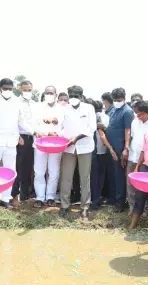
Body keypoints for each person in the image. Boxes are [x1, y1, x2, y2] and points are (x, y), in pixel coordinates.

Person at [0, 78, 39, 209]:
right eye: (5, 89)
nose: (7, 91)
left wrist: (34, 132)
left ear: (13, 89)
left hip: (10, 142)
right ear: (0, 88)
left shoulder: (17, 102)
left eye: (10, 89)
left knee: (10, 171)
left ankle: (6, 199)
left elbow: (21, 121)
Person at [59, 86, 96, 218]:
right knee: (66, 177)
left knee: (84, 178)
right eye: (71, 95)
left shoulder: (89, 108)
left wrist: (77, 138)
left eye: (76, 95)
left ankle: (85, 206)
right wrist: (60, 136)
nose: (73, 97)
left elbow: (92, 127)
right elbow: (61, 127)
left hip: (85, 147)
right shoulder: (64, 109)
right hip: (68, 147)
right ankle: (64, 205)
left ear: (81, 96)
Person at [33, 86, 63, 208]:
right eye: (47, 93)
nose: (49, 94)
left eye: (51, 93)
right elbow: (33, 124)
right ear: (44, 94)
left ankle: (50, 196)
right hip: (41, 143)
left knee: (54, 171)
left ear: (56, 95)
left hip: (56, 144)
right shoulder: (37, 107)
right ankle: (40, 197)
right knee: (39, 171)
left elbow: (65, 125)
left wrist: (58, 134)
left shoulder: (62, 109)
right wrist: (44, 133)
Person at [105, 88, 135, 213]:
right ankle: (112, 199)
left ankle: (120, 203)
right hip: (110, 147)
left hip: (120, 148)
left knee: (119, 176)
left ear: (124, 99)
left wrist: (126, 148)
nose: (117, 102)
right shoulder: (112, 109)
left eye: (119, 100)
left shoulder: (127, 111)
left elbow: (128, 130)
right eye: (115, 100)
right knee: (111, 175)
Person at [11, 80, 37, 204]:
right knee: (17, 167)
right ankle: (14, 195)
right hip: (20, 137)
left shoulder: (34, 103)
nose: (27, 92)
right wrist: (17, 135)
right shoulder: (15, 102)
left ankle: (24, 195)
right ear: (20, 89)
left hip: (32, 137)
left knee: (28, 167)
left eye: (29, 90)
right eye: (25, 90)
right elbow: (14, 120)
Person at [127, 101, 148, 212]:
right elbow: (132, 137)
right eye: (136, 113)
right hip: (132, 157)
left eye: (140, 113)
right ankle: (132, 208)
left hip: (145, 160)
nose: (137, 115)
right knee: (130, 185)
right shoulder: (134, 122)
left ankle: (145, 210)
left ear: (147, 113)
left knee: (145, 187)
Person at [90, 100, 112, 210]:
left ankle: (95, 201)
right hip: (102, 151)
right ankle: (97, 199)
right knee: (100, 177)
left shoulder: (92, 117)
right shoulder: (106, 117)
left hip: (93, 152)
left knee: (94, 177)